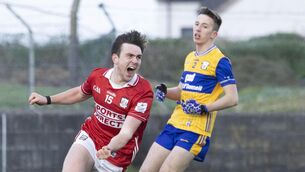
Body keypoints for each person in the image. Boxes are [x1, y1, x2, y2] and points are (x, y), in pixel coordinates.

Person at [28, 30, 154, 172]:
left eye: (138, 57)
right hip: (91, 136)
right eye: (130, 55)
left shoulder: (143, 91)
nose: (135, 61)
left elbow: (126, 133)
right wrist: (47, 99)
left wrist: (109, 148)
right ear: (115, 58)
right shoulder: (98, 76)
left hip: (117, 153)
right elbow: (79, 93)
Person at [140, 7, 239, 172]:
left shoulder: (220, 61)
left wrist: (203, 108)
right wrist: (165, 91)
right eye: (196, 24)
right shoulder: (190, 57)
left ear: (213, 34)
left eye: (205, 26)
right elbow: (181, 91)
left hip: (195, 131)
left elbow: (232, 98)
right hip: (174, 124)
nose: (198, 29)